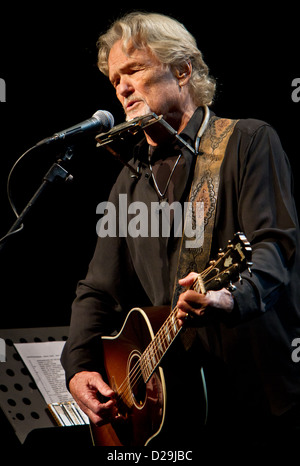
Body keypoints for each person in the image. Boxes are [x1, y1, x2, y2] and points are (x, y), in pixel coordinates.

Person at [61, 12, 300, 451]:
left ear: (183, 70)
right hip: (173, 414)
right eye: (115, 79)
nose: (122, 87)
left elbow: (273, 246)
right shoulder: (129, 180)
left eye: (133, 70)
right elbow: (97, 289)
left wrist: (228, 297)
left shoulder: (247, 142)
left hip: (253, 400)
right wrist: (78, 367)